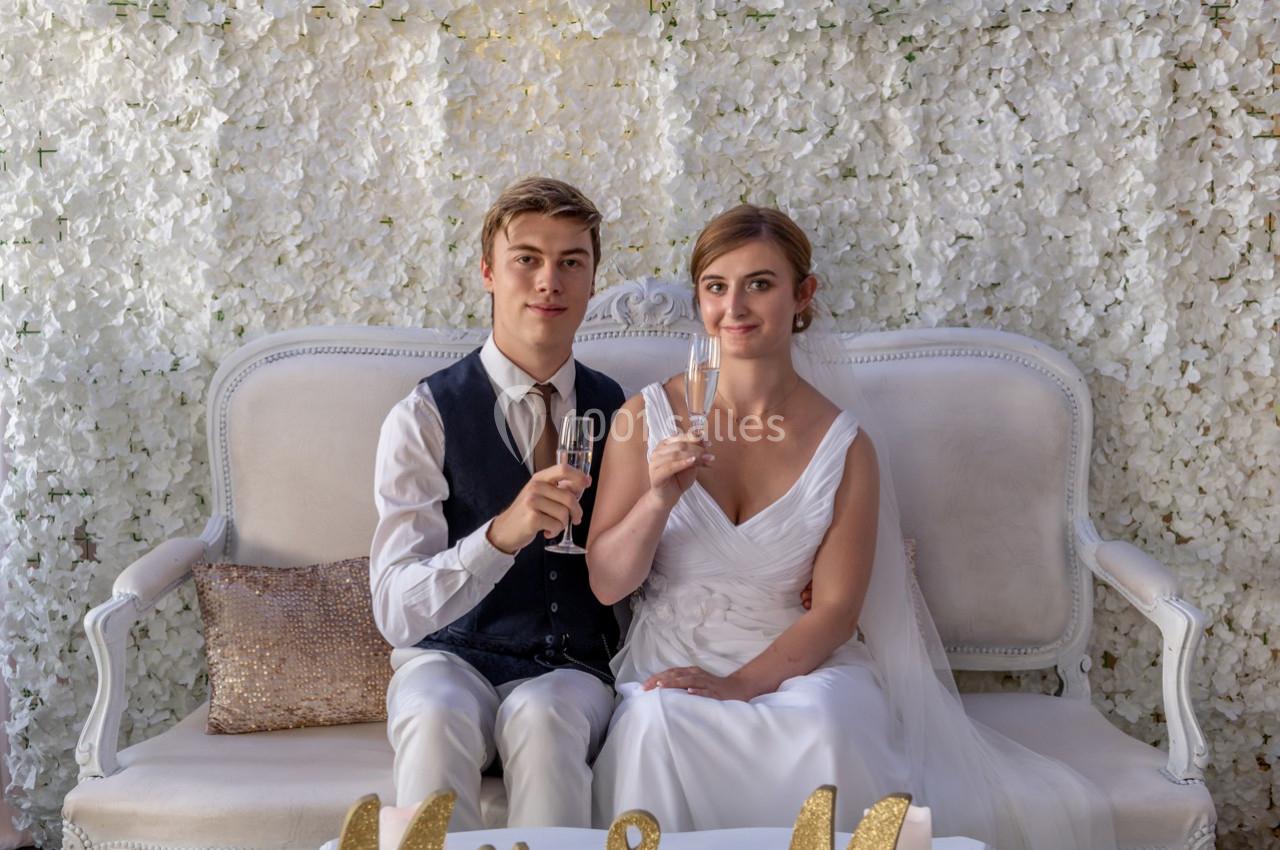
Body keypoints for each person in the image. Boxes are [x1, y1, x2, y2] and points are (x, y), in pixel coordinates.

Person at [586, 205, 1116, 850]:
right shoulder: (643, 419)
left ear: (803, 295)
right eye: (716, 287)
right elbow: (610, 584)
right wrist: (658, 501)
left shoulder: (846, 444)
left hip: (799, 662)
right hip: (675, 662)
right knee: (658, 723)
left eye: (761, 283)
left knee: (826, 721)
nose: (736, 307)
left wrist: (741, 686)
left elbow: (835, 611)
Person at [370, 177, 624, 830]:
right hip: (447, 661)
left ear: (593, 280)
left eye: (572, 262)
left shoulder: (621, 411)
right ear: (488, 271)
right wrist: (501, 535)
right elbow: (396, 611)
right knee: (435, 715)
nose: (550, 281)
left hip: (570, 669)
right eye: (527, 260)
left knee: (542, 720)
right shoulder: (423, 416)